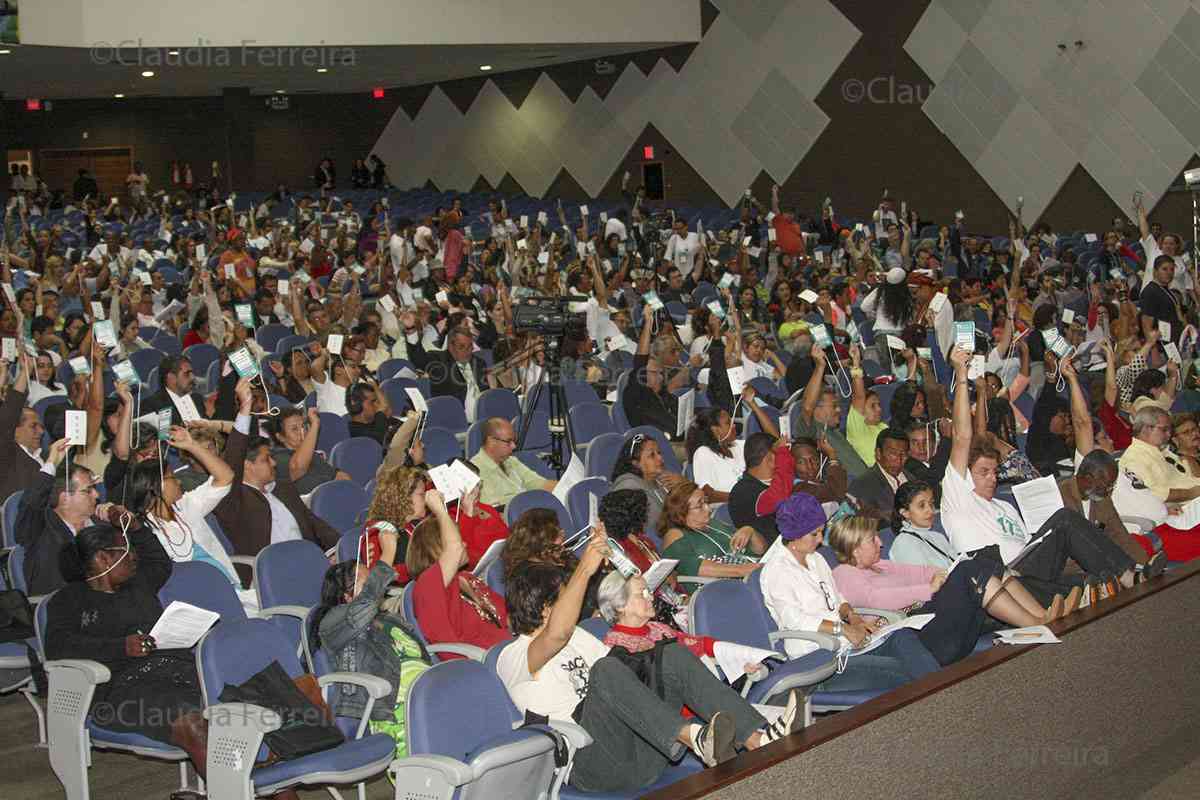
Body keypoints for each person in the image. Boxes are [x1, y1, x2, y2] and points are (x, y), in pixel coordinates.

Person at [496, 531, 801, 794]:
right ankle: (694, 737)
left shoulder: (579, 635)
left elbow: (626, 677)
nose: (576, 607)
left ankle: (757, 738)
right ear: (548, 608)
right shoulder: (511, 657)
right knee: (606, 669)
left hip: (641, 746)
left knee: (671, 654)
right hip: (590, 763)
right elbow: (557, 635)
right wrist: (585, 570)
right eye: (567, 599)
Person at [941, 346, 1139, 605]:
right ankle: (1129, 576)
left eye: (994, 471)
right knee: (1066, 520)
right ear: (965, 474)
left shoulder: (1003, 507)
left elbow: (1032, 549)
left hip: (1031, 575)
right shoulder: (958, 498)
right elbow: (962, 437)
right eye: (983, 472)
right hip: (1001, 582)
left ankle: (1123, 580)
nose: (992, 478)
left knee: (1096, 583)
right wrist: (962, 375)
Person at [829, 515, 1067, 666]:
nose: (881, 543)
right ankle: (1037, 623)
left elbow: (920, 571)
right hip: (916, 638)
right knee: (968, 571)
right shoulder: (843, 574)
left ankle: (1041, 616)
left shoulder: (880, 566)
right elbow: (877, 599)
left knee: (981, 562)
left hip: (928, 622)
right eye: (872, 540)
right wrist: (928, 589)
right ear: (855, 549)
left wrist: (940, 575)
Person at [758, 493, 931, 693]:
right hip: (819, 658)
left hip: (845, 644)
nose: (821, 540)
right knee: (901, 670)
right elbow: (793, 620)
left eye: (821, 532)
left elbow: (837, 598)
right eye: (814, 534)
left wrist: (853, 617)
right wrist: (843, 629)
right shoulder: (777, 571)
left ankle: (943, 694)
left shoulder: (815, 559)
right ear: (795, 536)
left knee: (903, 637)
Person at [311, 530, 432, 760]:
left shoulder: (388, 619)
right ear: (346, 596)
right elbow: (363, 606)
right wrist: (387, 555)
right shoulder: (333, 623)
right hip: (394, 704)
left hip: (429, 689)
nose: (377, 589)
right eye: (368, 583)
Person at [123, 417, 256, 612]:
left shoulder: (186, 506)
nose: (178, 482)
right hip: (200, 604)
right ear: (155, 487)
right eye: (171, 478)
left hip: (232, 592)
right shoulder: (145, 534)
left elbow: (225, 477)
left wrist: (191, 445)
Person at [211, 414, 340, 559]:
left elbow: (315, 524)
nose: (274, 463)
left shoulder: (283, 488)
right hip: (274, 569)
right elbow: (234, 460)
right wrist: (244, 411)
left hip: (308, 557)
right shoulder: (235, 499)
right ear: (247, 466)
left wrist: (337, 550)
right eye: (266, 459)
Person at [405, 488, 510, 653]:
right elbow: (454, 548)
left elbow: (507, 616)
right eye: (459, 539)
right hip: (481, 663)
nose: (464, 544)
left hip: (509, 648)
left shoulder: (466, 578)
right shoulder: (428, 585)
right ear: (437, 548)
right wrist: (439, 510)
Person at [660, 482, 765, 590]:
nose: (708, 509)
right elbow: (699, 568)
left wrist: (750, 531)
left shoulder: (712, 523)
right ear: (681, 511)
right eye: (700, 505)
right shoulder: (674, 535)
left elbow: (760, 550)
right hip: (719, 590)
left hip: (749, 575)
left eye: (706, 502)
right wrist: (743, 570)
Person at [397, 315, 487, 415]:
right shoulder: (439, 361)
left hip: (485, 413)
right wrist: (411, 330)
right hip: (455, 416)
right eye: (461, 347)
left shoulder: (479, 362)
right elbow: (419, 360)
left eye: (470, 346)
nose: (468, 351)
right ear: (450, 346)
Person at [469, 417, 556, 508]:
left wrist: (567, 488)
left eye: (514, 441)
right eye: (508, 441)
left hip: (527, 512)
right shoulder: (476, 472)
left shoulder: (510, 460)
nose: (514, 446)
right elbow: (495, 511)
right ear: (491, 441)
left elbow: (540, 483)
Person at [610, 434, 685, 535]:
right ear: (635, 463)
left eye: (659, 453)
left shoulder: (660, 481)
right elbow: (656, 526)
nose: (660, 458)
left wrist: (683, 485)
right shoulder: (628, 487)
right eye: (652, 455)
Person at [728, 432, 795, 543]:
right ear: (770, 458)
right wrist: (783, 453)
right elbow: (778, 499)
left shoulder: (778, 483)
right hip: (767, 555)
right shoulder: (742, 491)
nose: (786, 457)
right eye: (780, 454)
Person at [267, 407, 350, 495]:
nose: (302, 432)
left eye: (303, 426)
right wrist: (315, 424)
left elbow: (339, 475)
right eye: (294, 429)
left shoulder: (312, 454)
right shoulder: (277, 457)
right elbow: (298, 468)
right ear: (280, 437)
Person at [0, 352, 44, 501]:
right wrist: (25, 373)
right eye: (33, 426)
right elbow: (10, 413)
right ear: (15, 429)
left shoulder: (44, 456)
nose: (41, 431)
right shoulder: (6, 452)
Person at [847, 427, 912, 517]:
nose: (899, 460)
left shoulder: (913, 478)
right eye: (893, 454)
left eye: (904, 455)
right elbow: (864, 522)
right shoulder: (862, 484)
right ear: (878, 453)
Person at [846, 344, 888, 466]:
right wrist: (856, 363)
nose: (879, 409)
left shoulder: (883, 427)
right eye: (873, 406)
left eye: (879, 405)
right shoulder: (857, 428)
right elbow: (859, 396)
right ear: (860, 410)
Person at [140, 354, 209, 426]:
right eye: (187, 374)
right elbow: (156, 436)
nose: (193, 377)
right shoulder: (152, 405)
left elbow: (209, 428)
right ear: (171, 377)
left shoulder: (196, 398)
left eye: (192, 373)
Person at [789, 436, 849, 503]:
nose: (810, 466)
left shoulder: (817, 482)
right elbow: (837, 492)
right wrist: (833, 457)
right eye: (801, 462)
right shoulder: (800, 490)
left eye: (814, 459)